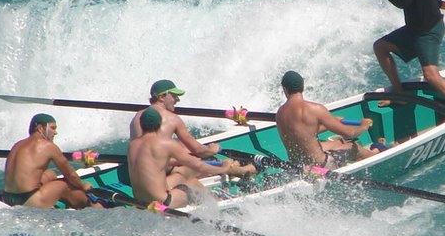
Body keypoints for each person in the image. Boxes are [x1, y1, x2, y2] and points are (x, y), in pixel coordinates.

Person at [127, 107, 255, 209]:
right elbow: (198, 165)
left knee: (180, 176)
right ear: (159, 124)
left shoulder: (133, 145)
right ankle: (216, 201)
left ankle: (214, 195)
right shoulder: (165, 144)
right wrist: (224, 168)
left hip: (139, 203)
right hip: (162, 204)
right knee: (187, 187)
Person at [275, 70, 378, 168]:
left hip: (299, 166)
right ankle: (374, 156)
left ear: (285, 89)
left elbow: (304, 132)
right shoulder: (315, 109)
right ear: (303, 87)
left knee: (339, 143)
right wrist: (363, 126)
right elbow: (349, 133)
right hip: (321, 165)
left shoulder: (280, 114)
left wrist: (331, 124)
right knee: (355, 147)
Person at [0, 113, 98, 209]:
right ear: (40, 128)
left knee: (50, 174)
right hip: (30, 201)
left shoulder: (17, 144)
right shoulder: (48, 146)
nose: (55, 132)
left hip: (8, 198)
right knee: (65, 185)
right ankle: (92, 206)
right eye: (52, 128)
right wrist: (83, 186)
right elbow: (70, 174)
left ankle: (51, 199)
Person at [129, 79, 221, 160]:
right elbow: (198, 150)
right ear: (162, 97)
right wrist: (212, 150)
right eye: (174, 96)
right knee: (212, 162)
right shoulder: (172, 118)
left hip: (138, 169)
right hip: (159, 169)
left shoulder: (137, 116)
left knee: (181, 144)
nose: (178, 100)